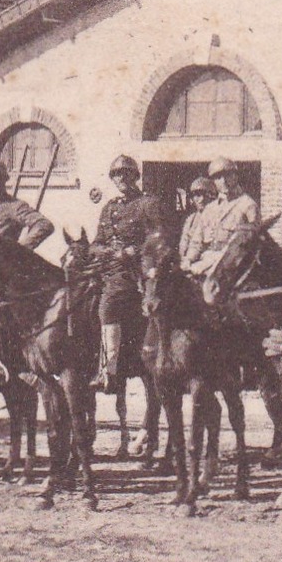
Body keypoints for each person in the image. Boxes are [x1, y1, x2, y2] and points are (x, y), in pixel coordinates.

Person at [0, 156, 54, 386]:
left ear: (4, 180)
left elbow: (44, 225)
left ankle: (2, 364)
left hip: (0, 277)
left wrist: (18, 251)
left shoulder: (14, 207)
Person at [91, 155, 165, 392]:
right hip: (106, 267)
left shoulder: (147, 203)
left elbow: (159, 237)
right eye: (117, 174)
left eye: (126, 174)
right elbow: (96, 243)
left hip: (132, 272)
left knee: (109, 302)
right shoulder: (109, 207)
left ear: (135, 177)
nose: (121, 178)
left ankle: (108, 370)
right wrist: (105, 251)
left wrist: (134, 250)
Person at [178, 177, 219, 274]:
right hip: (188, 264)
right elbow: (184, 242)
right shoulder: (191, 219)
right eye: (196, 196)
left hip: (206, 266)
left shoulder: (216, 217)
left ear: (212, 196)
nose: (200, 200)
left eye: (203, 195)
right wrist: (184, 260)